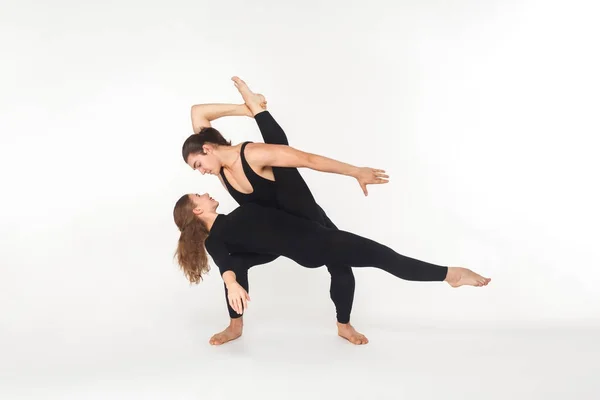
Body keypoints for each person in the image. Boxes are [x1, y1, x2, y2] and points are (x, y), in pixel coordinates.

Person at [184, 77, 388, 345]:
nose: (201, 172)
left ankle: (344, 325)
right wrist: (245, 109)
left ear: (208, 148)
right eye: (196, 168)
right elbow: (198, 119)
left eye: (199, 163)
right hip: (272, 234)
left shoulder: (249, 155)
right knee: (234, 264)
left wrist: (355, 172)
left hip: (304, 219)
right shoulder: (221, 170)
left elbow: (307, 160)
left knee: (340, 264)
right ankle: (235, 326)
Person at [172, 193, 491, 326]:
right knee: (386, 257)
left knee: (358, 265)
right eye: (198, 195)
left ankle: (343, 325)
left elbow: (243, 258)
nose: (205, 193)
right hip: (316, 243)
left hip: (314, 238)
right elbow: (226, 264)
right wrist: (231, 285)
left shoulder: (233, 217)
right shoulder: (218, 237)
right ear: (197, 210)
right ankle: (451, 274)